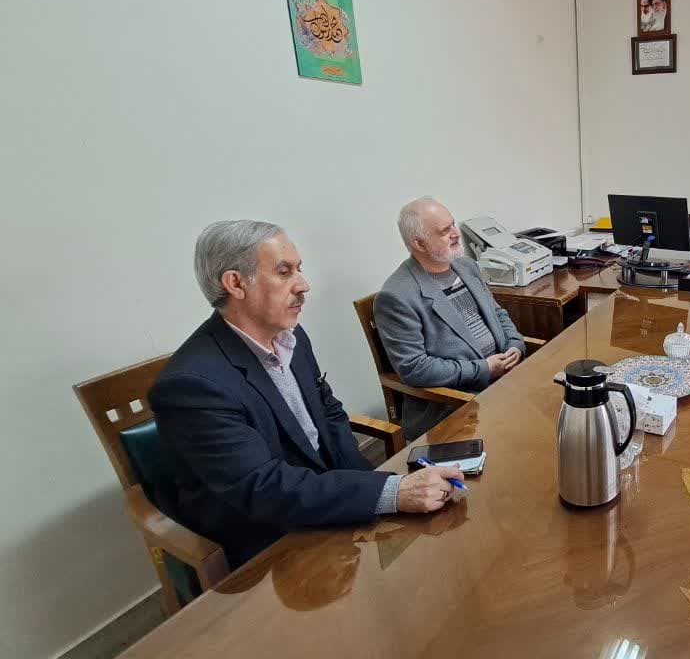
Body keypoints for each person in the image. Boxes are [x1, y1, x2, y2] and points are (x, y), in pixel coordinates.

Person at [150, 220, 463, 569]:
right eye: (284, 272)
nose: (304, 285)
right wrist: (391, 494)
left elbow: (329, 415)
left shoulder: (291, 337)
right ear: (235, 283)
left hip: (325, 499)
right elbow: (265, 489)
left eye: (299, 269)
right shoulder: (191, 387)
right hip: (270, 543)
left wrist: (376, 488)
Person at [375, 197, 527, 438]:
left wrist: (515, 345)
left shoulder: (466, 266)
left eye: (453, 224)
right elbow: (415, 368)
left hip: (504, 382)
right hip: (455, 403)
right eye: (444, 231)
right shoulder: (396, 296)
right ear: (419, 243)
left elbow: (498, 313)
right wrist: (484, 369)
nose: (456, 233)